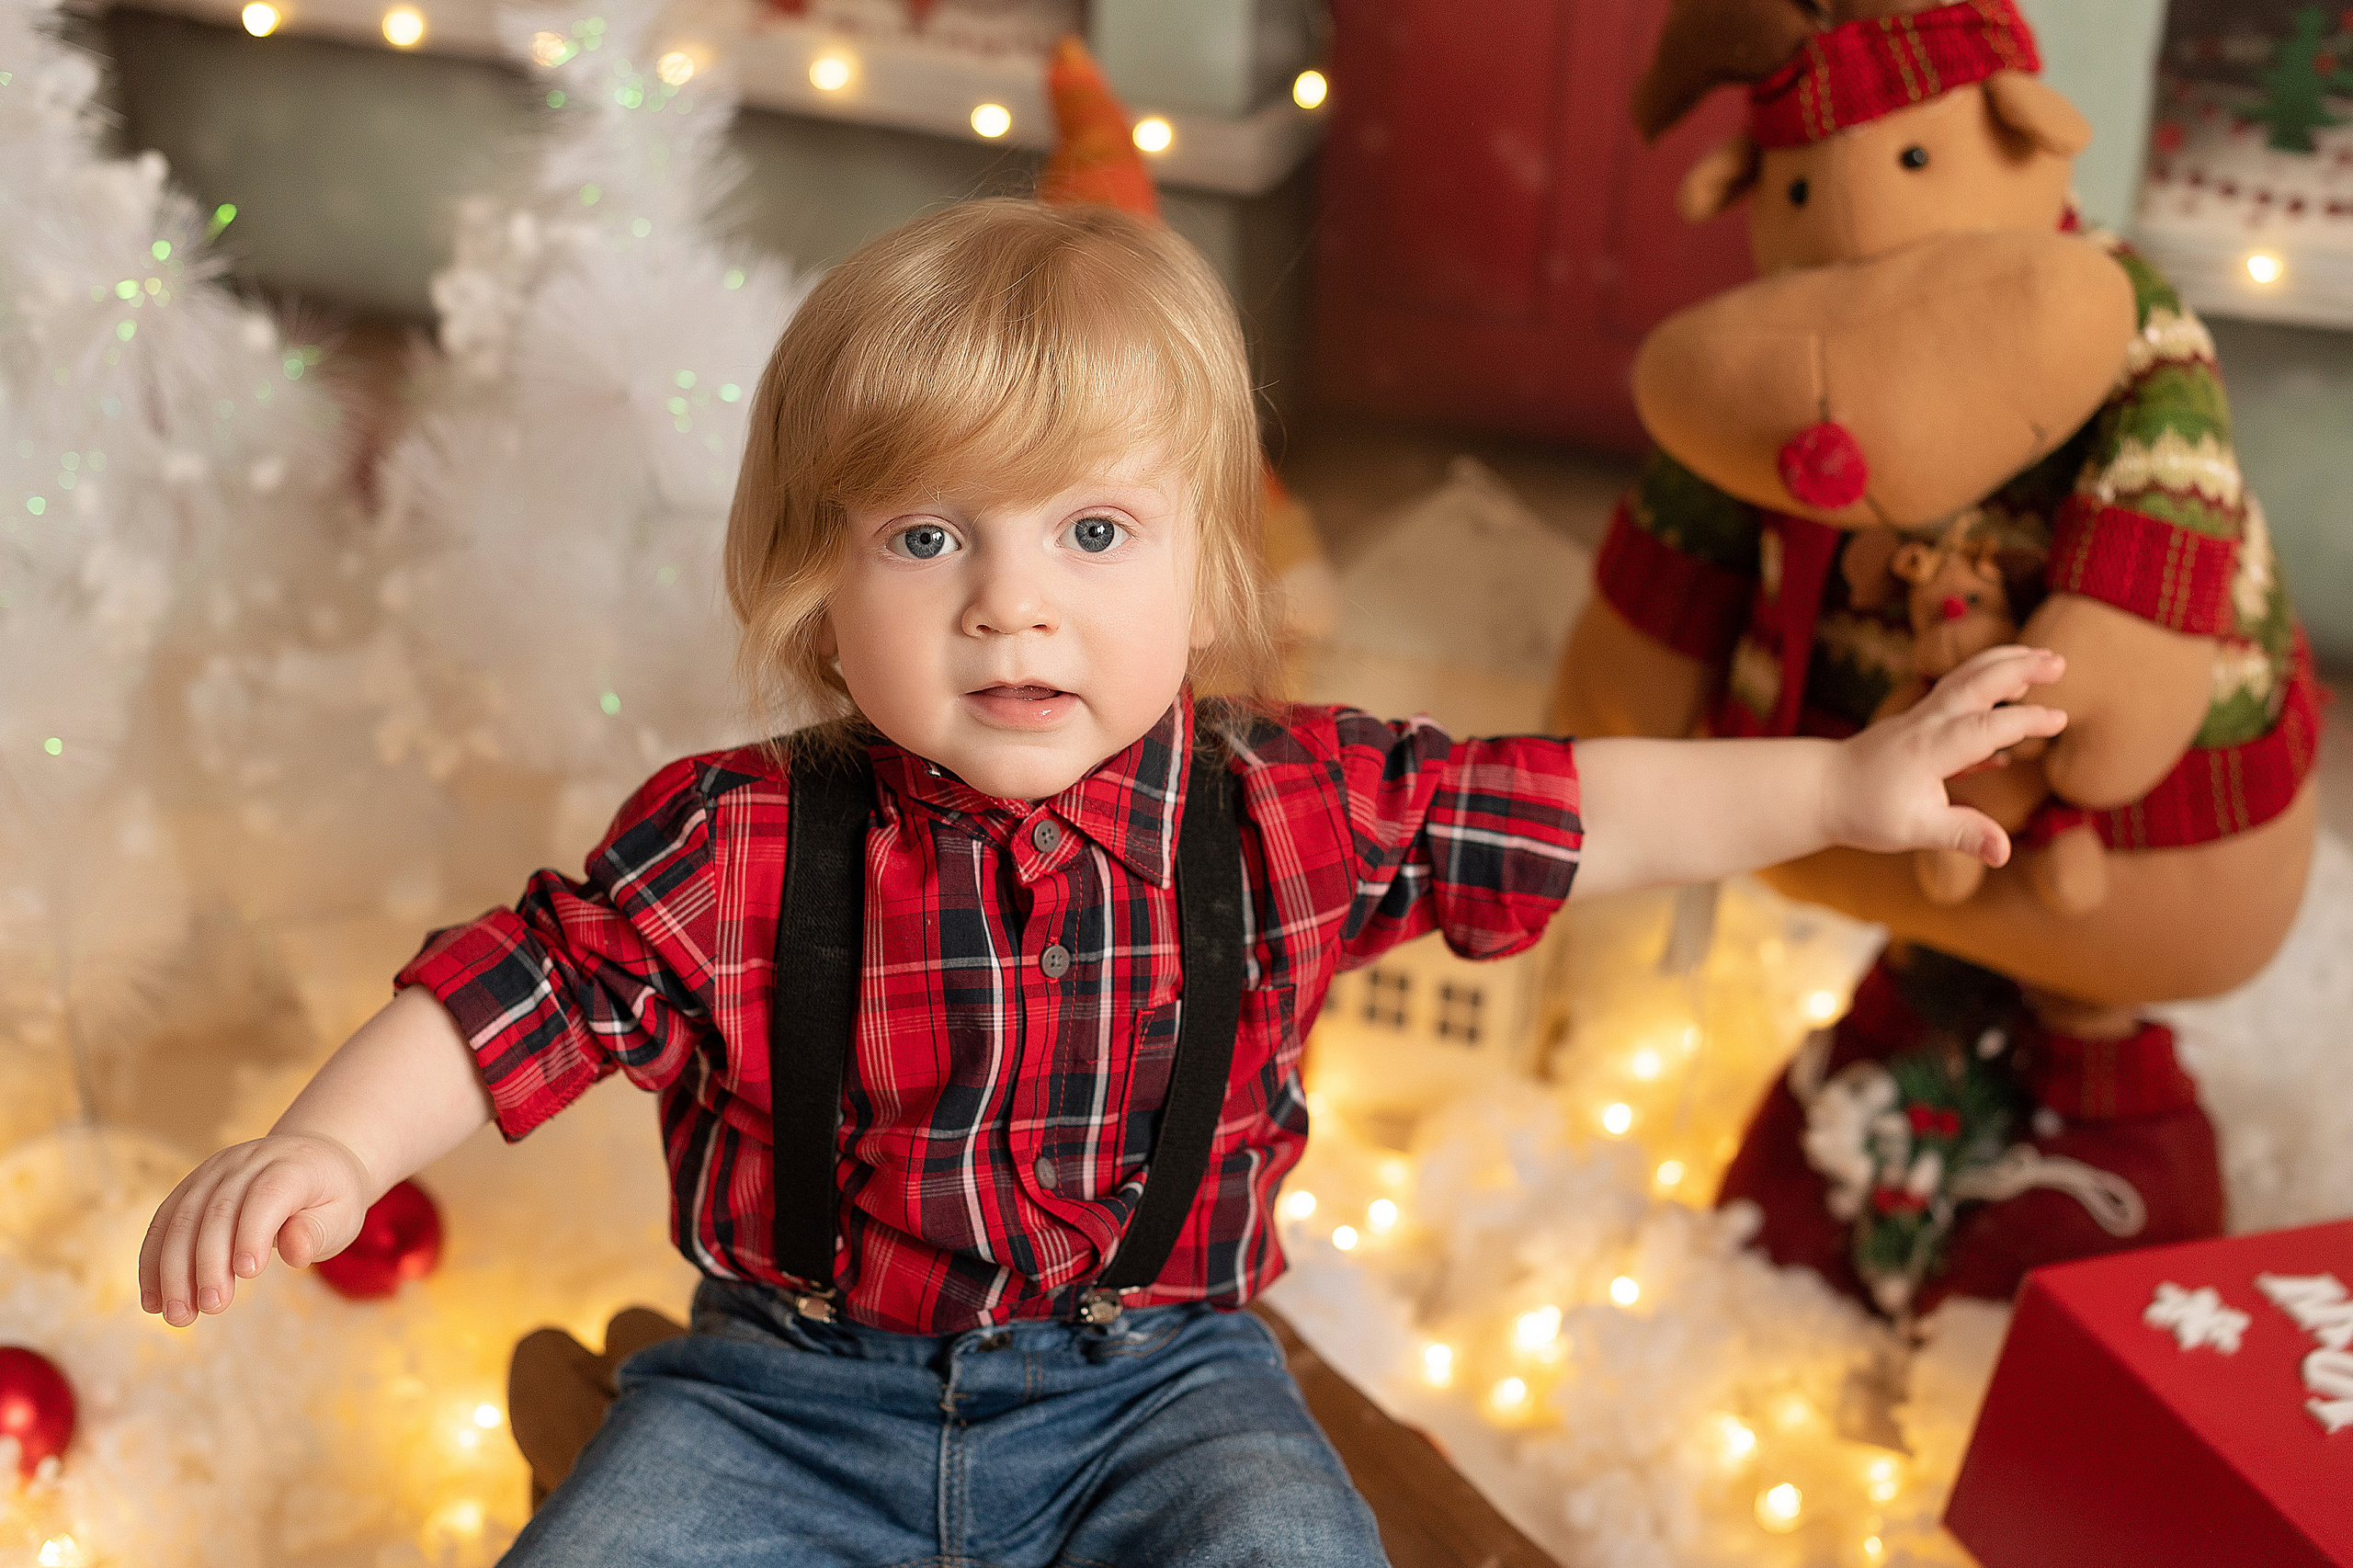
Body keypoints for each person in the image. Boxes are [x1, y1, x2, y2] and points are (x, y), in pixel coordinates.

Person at [136, 199, 2064, 1567]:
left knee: (1289, 1548)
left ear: (1203, 578)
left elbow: (1577, 807)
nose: (1012, 600)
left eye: (1090, 527)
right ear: (817, 591)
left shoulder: (1288, 808)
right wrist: (329, 1145)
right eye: (923, 533)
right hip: (784, 1399)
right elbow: (520, 990)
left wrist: (1841, 776)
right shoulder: (732, 837)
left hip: (1159, 1387)